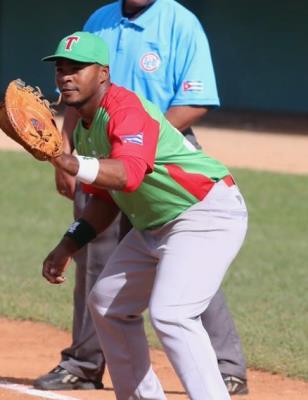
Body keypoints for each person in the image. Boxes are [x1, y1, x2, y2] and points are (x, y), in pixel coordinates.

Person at [36, 0, 249, 395]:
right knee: (107, 305)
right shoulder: (85, 127)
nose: (65, 76)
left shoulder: (126, 110)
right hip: (157, 224)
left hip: (204, 212)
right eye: (60, 68)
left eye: (76, 68)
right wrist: (67, 246)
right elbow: (106, 198)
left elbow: (129, 175)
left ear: (103, 74)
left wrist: (66, 161)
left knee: (172, 314)